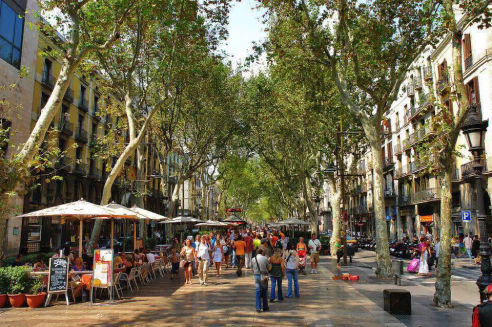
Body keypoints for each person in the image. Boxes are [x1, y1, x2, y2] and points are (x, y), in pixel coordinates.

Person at [252, 248, 270, 313]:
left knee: (258, 291)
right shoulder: (265, 258)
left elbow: (252, 268)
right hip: (264, 275)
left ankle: (258, 307)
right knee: (264, 291)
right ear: (262, 252)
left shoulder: (253, 259)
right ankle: (265, 307)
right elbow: (268, 267)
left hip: (256, 275)